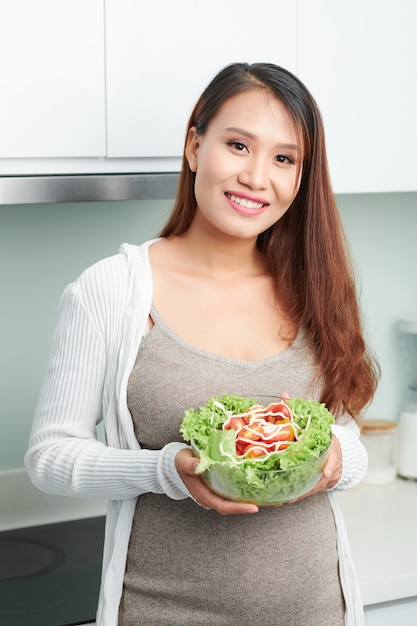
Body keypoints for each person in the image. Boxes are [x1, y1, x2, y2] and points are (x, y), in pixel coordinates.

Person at [25, 62, 379, 626]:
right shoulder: (113, 290)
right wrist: (168, 472)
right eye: (238, 145)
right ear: (195, 146)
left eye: (284, 158)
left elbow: (347, 438)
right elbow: (49, 458)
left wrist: (340, 457)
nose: (257, 177)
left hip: (319, 610)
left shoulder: (314, 288)